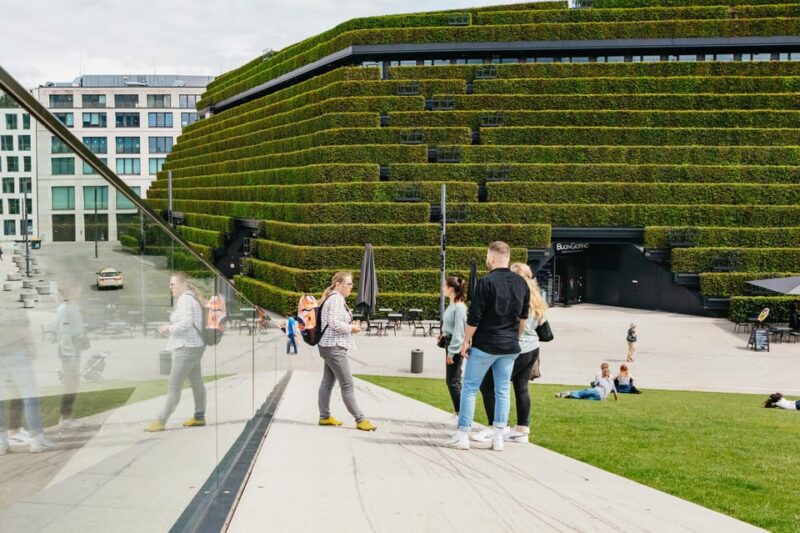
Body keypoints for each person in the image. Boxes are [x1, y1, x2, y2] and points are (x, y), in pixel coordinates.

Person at [445, 241, 530, 452]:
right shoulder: (521, 283)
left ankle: (462, 434)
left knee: (470, 387)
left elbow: (474, 318)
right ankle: (498, 437)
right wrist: (515, 338)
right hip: (510, 346)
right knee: (502, 390)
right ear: (508, 258)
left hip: (486, 343)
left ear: (491, 258)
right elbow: (522, 318)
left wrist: (466, 342)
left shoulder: (485, 282)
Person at [476, 263, 547, 444]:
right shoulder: (538, 297)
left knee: (489, 385)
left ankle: (497, 425)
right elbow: (541, 324)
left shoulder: (517, 294)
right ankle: (522, 429)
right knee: (521, 387)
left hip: (517, 347)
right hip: (532, 348)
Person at [145, 273, 207, 432]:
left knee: (174, 386)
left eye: (173, 284)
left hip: (185, 348)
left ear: (183, 283)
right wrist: (172, 326)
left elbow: (187, 322)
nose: (170, 287)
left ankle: (160, 421)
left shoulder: (185, 299)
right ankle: (199, 417)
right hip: (195, 346)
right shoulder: (191, 298)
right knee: (196, 382)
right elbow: (187, 322)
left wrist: (169, 328)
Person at [317, 272, 377, 431]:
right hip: (335, 347)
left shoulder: (333, 298)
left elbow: (335, 321)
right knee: (347, 384)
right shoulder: (336, 299)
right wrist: (352, 328)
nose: (351, 287)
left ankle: (324, 417)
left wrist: (350, 323)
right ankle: (360, 419)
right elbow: (333, 322)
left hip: (328, 346)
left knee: (328, 381)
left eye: (351, 284)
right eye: (348, 284)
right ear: (338, 284)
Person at [55, 286, 87, 430]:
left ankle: (67, 416)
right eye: (76, 287)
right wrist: (71, 355)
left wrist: (83, 338)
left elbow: (76, 328)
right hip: (69, 351)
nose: (79, 289)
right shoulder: (64, 309)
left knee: (74, 384)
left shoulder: (74, 306)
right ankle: (65, 418)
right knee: (70, 384)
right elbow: (64, 333)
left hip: (75, 349)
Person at [440, 275, 468, 416]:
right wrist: (443, 334)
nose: (442, 288)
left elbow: (459, 332)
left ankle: (461, 413)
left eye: (444, 286)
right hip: (449, 342)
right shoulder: (452, 305)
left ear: (451, 289)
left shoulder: (459, 307)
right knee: (454, 381)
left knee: (452, 382)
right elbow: (450, 326)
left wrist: (452, 352)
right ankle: (460, 412)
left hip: (454, 346)